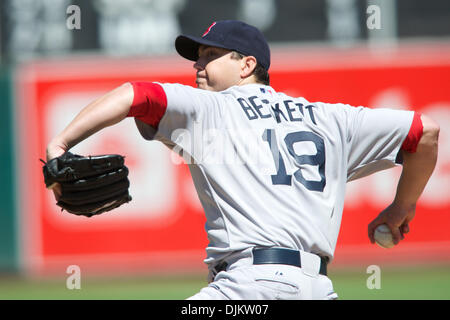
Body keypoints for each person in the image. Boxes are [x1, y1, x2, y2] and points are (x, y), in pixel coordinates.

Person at [46, 20, 440, 299]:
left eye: (210, 55)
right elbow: (425, 132)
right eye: (197, 56)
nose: (197, 65)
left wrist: (60, 144)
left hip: (249, 288)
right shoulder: (332, 119)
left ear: (246, 64)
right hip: (317, 288)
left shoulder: (213, 110)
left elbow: (138, 95)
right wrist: (402, 206)